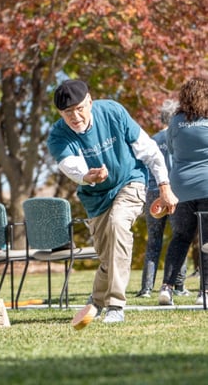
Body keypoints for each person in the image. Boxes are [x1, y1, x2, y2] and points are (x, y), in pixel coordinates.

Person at [47, 79, 178, 325]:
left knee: (119, 225)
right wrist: (88, 176)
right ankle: (96, 300)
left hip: (131, 180)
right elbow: (72, 168)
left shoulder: (113, 112)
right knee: (108, 257)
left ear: (90, 102)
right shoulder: (58, 136)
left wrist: (164, 187)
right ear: (60, 114)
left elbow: (149, 150)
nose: (75, 116)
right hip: (96, 197)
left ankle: (115, 305)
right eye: (68, 112)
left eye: (79, 108)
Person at [158, 76, 208, 306]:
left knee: (180, 237)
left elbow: (170, 149)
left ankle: (166, 288)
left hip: (178, 187)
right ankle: (204, 292)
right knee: (207, 240)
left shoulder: (175, 121)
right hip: (206, 185)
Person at [136, 99, 190, 298]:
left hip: (152, 191)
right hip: (175, 193)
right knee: (180, 237)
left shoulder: (152, 140)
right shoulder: (180, 137)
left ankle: (146, 288)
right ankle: (178, 286)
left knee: (153, 241)